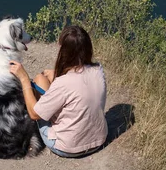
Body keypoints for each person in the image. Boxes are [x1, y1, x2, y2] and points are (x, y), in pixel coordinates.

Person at [9, 25, 108, 158]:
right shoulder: (98, 70)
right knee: (41, 79)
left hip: (68, 147)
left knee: (38, 82)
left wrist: (24, 79)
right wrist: (57, 74)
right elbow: (78, 84)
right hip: (99, 140)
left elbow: (34, 114)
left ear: (64, 51)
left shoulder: (63, 84)